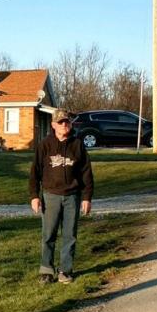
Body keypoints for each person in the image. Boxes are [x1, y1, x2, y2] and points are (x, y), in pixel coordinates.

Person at [29, 109, 94, 284]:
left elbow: (86, 173)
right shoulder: (44, 145)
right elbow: (35, 172)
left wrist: (87, 197)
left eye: (67, 122)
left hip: (72, 196)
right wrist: (34, 196)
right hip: (51, 196)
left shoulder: (77, 145)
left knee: (69, 235)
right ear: (53, 125)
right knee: (48, 234)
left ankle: (65, 270)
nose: (64, 125)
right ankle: (46, 270)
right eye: (60, 122)